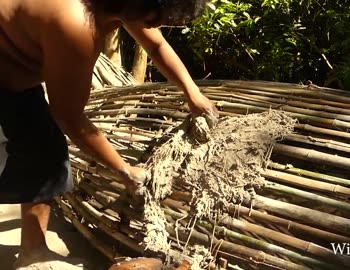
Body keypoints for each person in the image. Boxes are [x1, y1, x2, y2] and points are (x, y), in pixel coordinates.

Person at [0, 0, 218, 268]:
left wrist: (192, 92)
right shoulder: (76, 24)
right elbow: (69, 117)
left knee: (45, 151)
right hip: (8, 75)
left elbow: (156, 45)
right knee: (43, 149)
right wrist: (123, 169)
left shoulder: (114, 5)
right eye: (156, 17)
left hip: (15, 77)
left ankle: (33, 249)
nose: (158, 24)